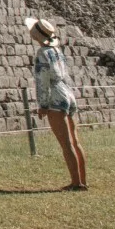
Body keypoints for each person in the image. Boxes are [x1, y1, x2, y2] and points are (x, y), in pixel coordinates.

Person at [25, 17, 87, 190]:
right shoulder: (57, 51)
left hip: (55, 97)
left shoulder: (42, 54)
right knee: (75, 141)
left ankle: (76, 183)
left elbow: (42, 80)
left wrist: (43, 104)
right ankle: (82, 180)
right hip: (67, 93)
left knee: (66, 143)